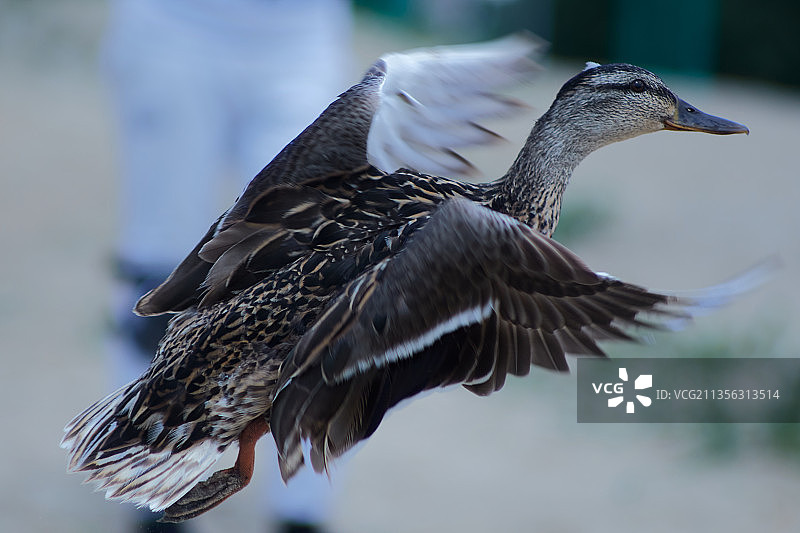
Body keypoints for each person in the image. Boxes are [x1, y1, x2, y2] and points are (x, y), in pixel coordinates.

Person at [102, 1, 353, 531]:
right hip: (177, 27)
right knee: (158, 274)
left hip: (300, 41)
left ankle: (302, 512)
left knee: (323, 281)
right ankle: (152, 494)